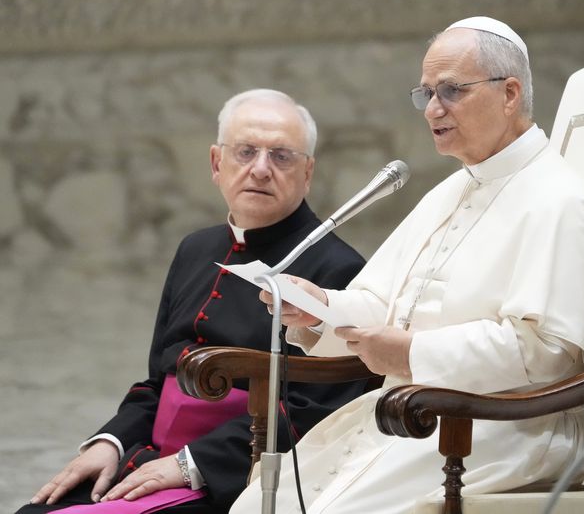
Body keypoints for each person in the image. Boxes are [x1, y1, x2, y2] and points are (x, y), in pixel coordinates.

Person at [231, 17, 584, 514]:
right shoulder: (454, 187)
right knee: (257, 505)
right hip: (416, 413)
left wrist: (412, 355)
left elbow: (546, 351)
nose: (433, 109)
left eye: (451, 91)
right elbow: (385, 302)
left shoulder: (558, 202)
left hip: (503, 429)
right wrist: (321, 308)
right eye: (425, 94)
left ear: (509, 93)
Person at [18, 89, 368, 514]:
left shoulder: (340, 269)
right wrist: (110, 442)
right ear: (217, 164)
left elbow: (320, 415)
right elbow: (156, 382)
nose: (260, 169)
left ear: (307, 172)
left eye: (281, 156)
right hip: (147, 457)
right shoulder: (195, 249)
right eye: (245, 152)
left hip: (238, 478)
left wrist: (192, 463)